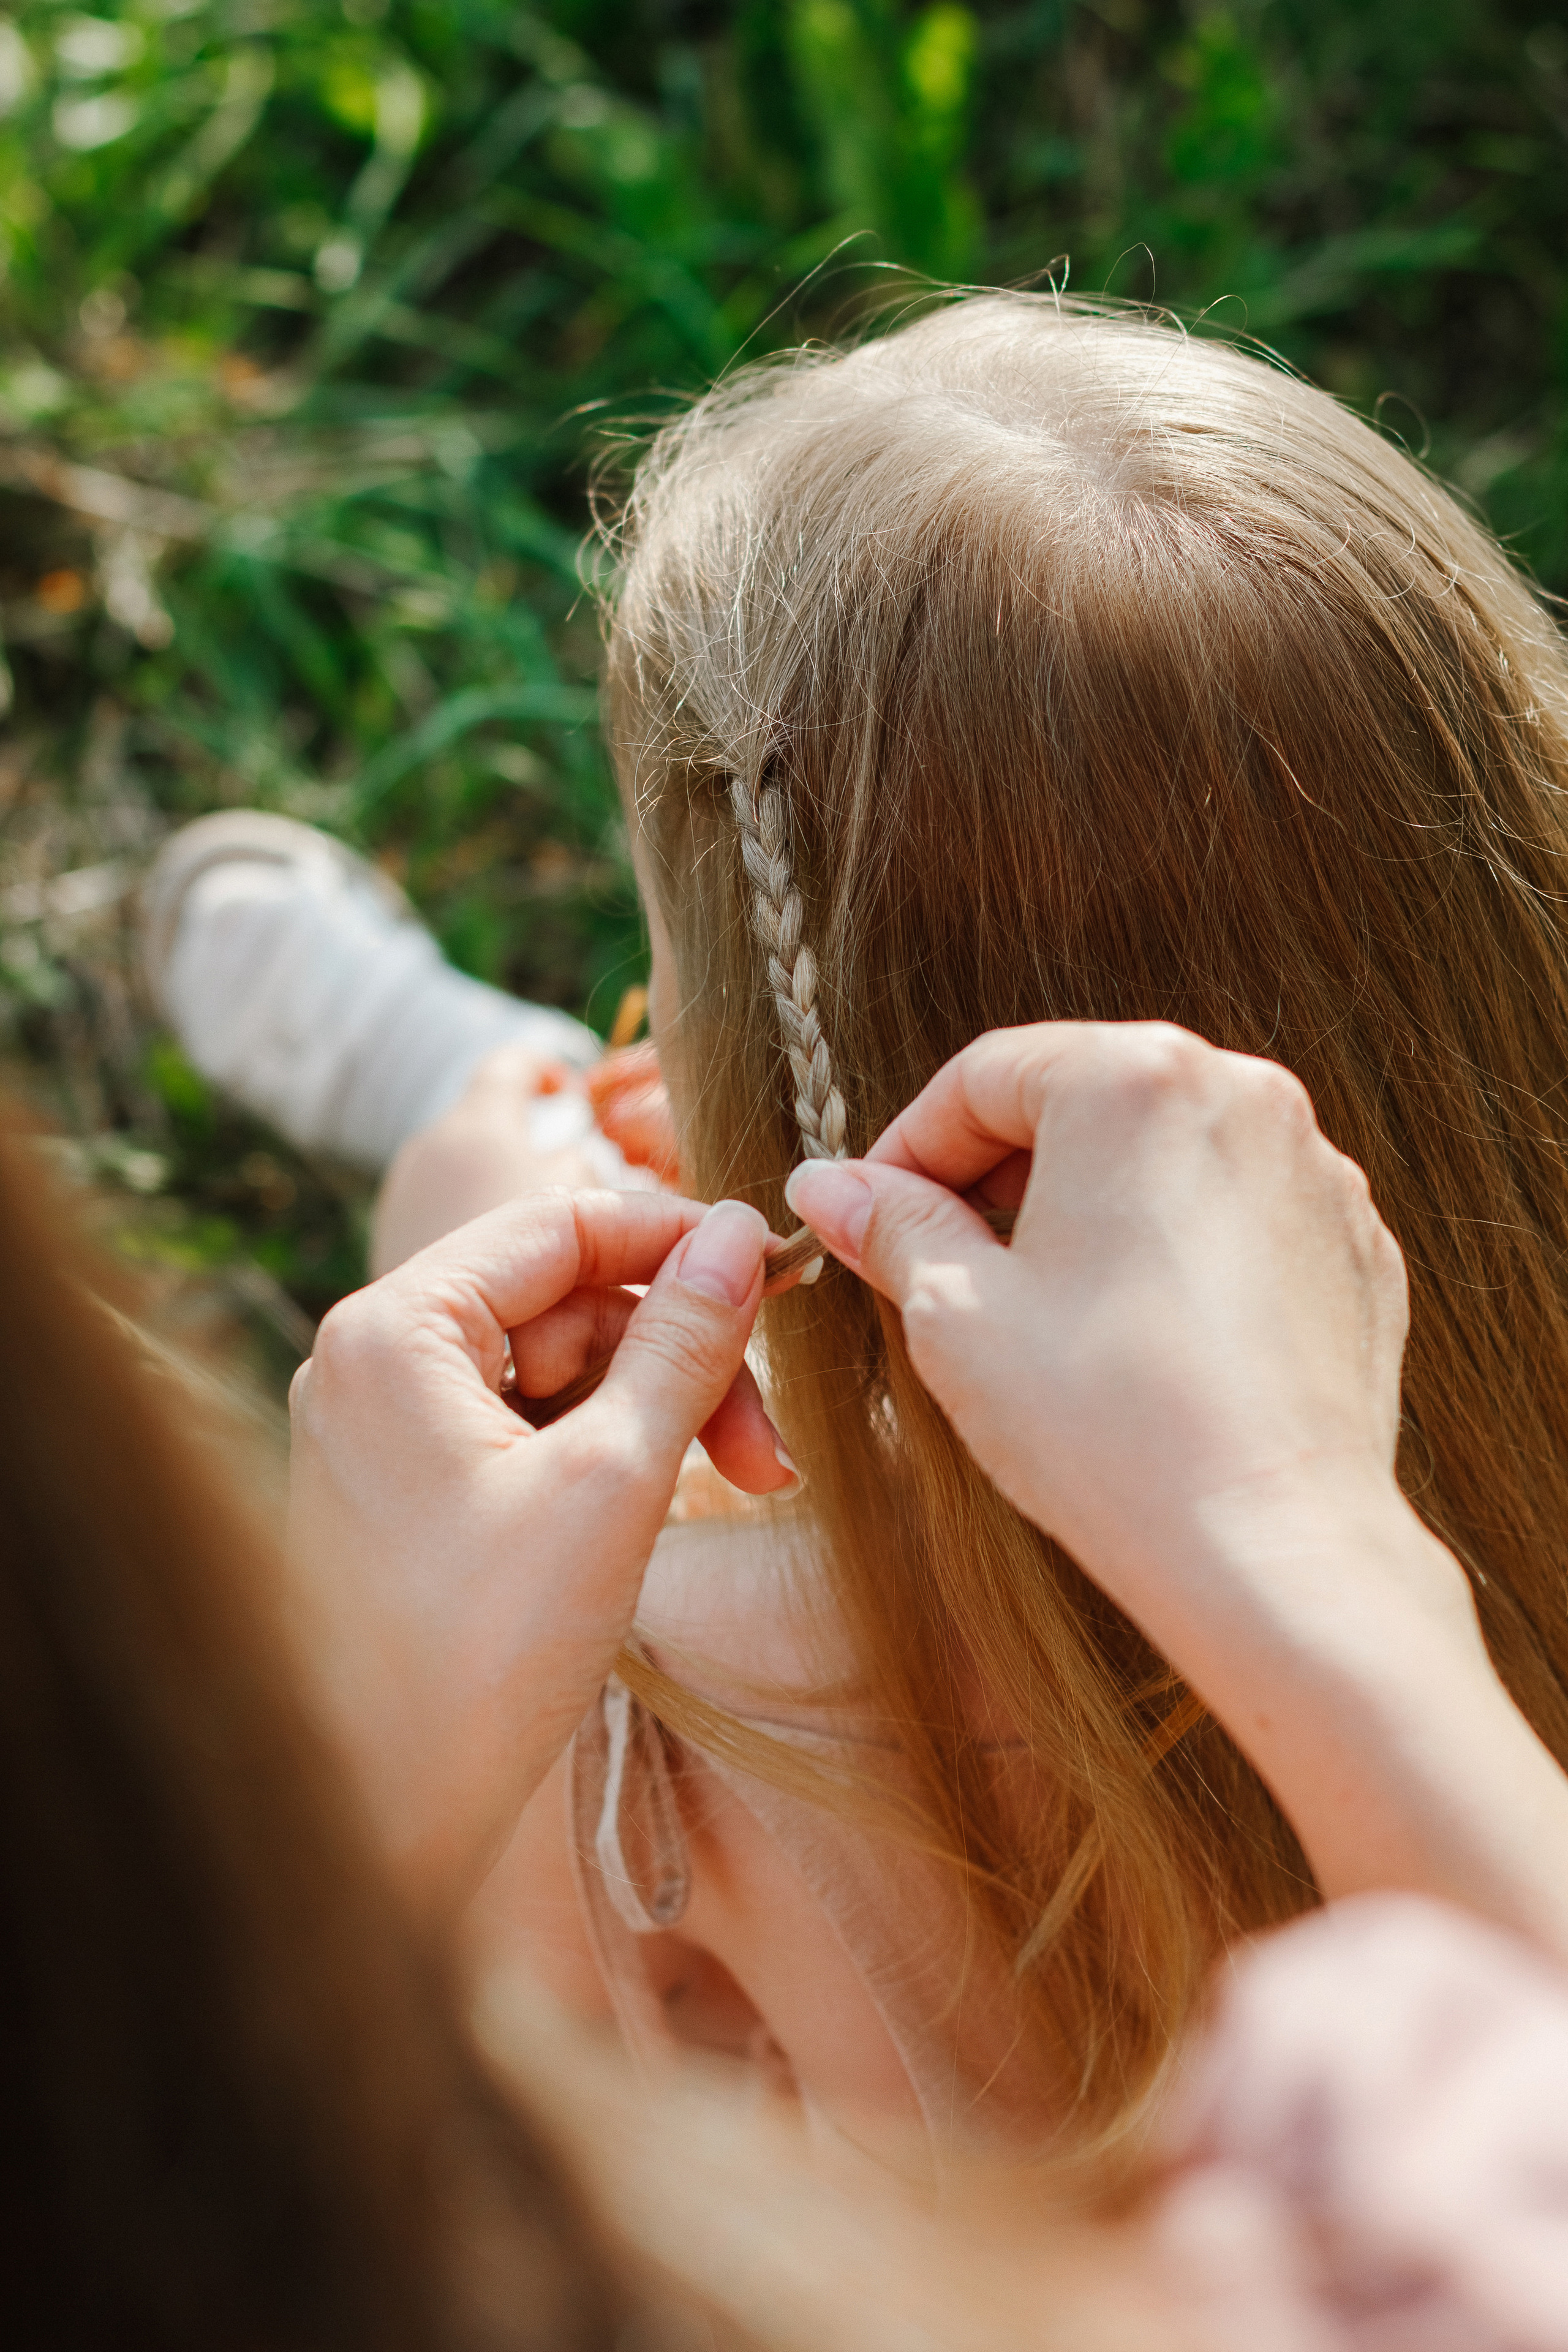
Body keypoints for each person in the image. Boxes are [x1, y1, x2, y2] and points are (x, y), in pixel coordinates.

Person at [146, 291, 1568, 2169]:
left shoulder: (658, 1683)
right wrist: (1293, 1532)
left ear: (818, 1135)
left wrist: (371, 1726)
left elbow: (408, 2152)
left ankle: (488, 1113)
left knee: (502, 1180)